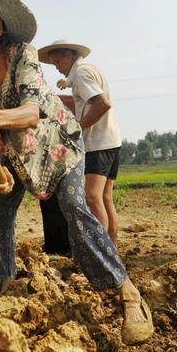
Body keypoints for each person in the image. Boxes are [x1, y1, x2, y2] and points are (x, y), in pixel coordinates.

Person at [0, 0, 153, 346]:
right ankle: (4, 291)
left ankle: (127, 291)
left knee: (76, 207)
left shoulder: (22, 55)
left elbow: (31, 113)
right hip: (12, 155)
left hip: (58, 145)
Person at [38, 40, 121, 246]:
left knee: (92, 197)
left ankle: (102, 251)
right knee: (105, 198)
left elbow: (102, 104)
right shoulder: (86, 70)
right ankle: (112, 251)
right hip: (112, 140)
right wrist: (67, 84)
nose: (57, 67)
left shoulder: (82, 73)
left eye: (58, 61)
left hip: (98, 143)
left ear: (69, 54)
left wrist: (77, 129)